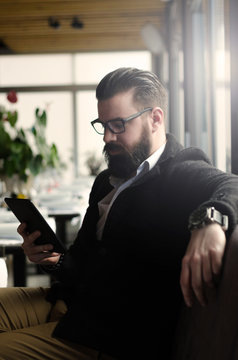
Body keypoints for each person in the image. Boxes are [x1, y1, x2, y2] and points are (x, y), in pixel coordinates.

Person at [0, 67, 238, 360]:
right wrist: (53, 260)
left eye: (118, 124)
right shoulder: (105, 180)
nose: (107, 137)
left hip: (111, 335)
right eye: (103, 125)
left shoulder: (180, 172)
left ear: (155, 118)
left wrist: (210, 220)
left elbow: (231, 185)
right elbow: (83, 260)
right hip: (73, 302)